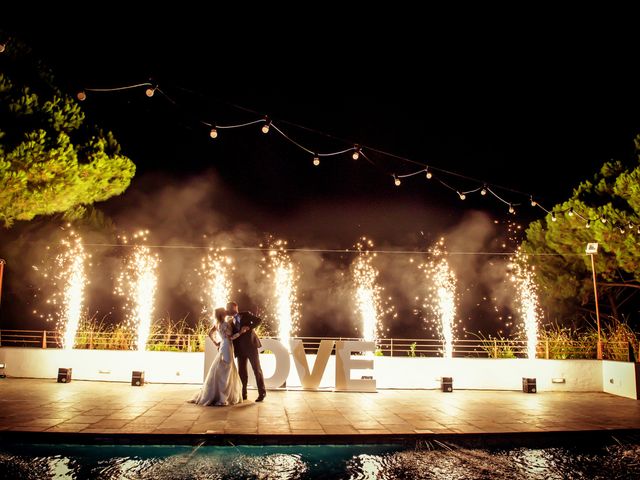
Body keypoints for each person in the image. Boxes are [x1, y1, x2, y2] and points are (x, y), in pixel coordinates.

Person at [190, 307, 248, 406]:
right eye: (225, 311)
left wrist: (216, 343)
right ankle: (223, 396)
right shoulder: (225, 324)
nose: (227, 311)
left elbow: (210, 333)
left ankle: (218, 393)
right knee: (227, 368)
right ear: (222, 314)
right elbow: (230, 337)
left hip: (223, 345)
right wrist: (241, 332)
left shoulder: (217, 324)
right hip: (227, 346)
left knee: (222, 368)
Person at [226, 301, 267, 402]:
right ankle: (243, 394)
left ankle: (262, 393)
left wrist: (249, 327)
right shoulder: (230, 322)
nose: (229, 310)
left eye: (230, 308)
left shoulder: (246, 314)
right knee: (242, 372)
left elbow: (259, 320)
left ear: (236, 307)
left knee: (257, 370)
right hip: (240, 349)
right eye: (228, 308)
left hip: (251, 346)